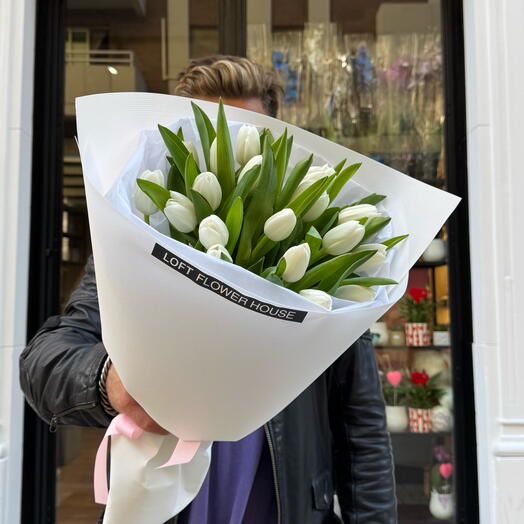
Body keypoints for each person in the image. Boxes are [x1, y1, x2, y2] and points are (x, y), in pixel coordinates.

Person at [20, 55, 396, 524]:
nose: (234, 158)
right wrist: (111, 382)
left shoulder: (320, 262)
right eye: (207, 136)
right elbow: (44, 362)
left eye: (248, 134)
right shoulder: (137, 243)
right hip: (165, 507)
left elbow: (361, 429)